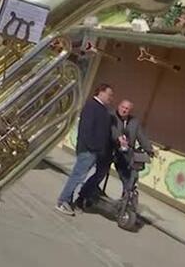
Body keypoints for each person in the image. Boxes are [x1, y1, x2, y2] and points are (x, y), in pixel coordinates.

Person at [55, 83, 115, 215]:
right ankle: (62, 201)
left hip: (94, 151)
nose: (111, 97)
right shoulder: (91, 106)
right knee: (77, 176)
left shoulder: (103, 109)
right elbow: (86, 129)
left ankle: (69, 201)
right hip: (88, 150)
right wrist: (92, 147)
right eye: (109, 94)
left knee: (80, 176)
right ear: (101, 92)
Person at [111, 99, 155, 195]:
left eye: (127, 109)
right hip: (111, 150)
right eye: (123, 107)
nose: (124, 110)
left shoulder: (134, 122)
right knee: (100, 173)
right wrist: (118, 138)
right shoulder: (111, 116)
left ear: (130, 111)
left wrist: (149, 149)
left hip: (126, 153)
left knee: (130, 177)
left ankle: (126, 198)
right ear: (119, 106)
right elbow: (111, 130)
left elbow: (141, 136)